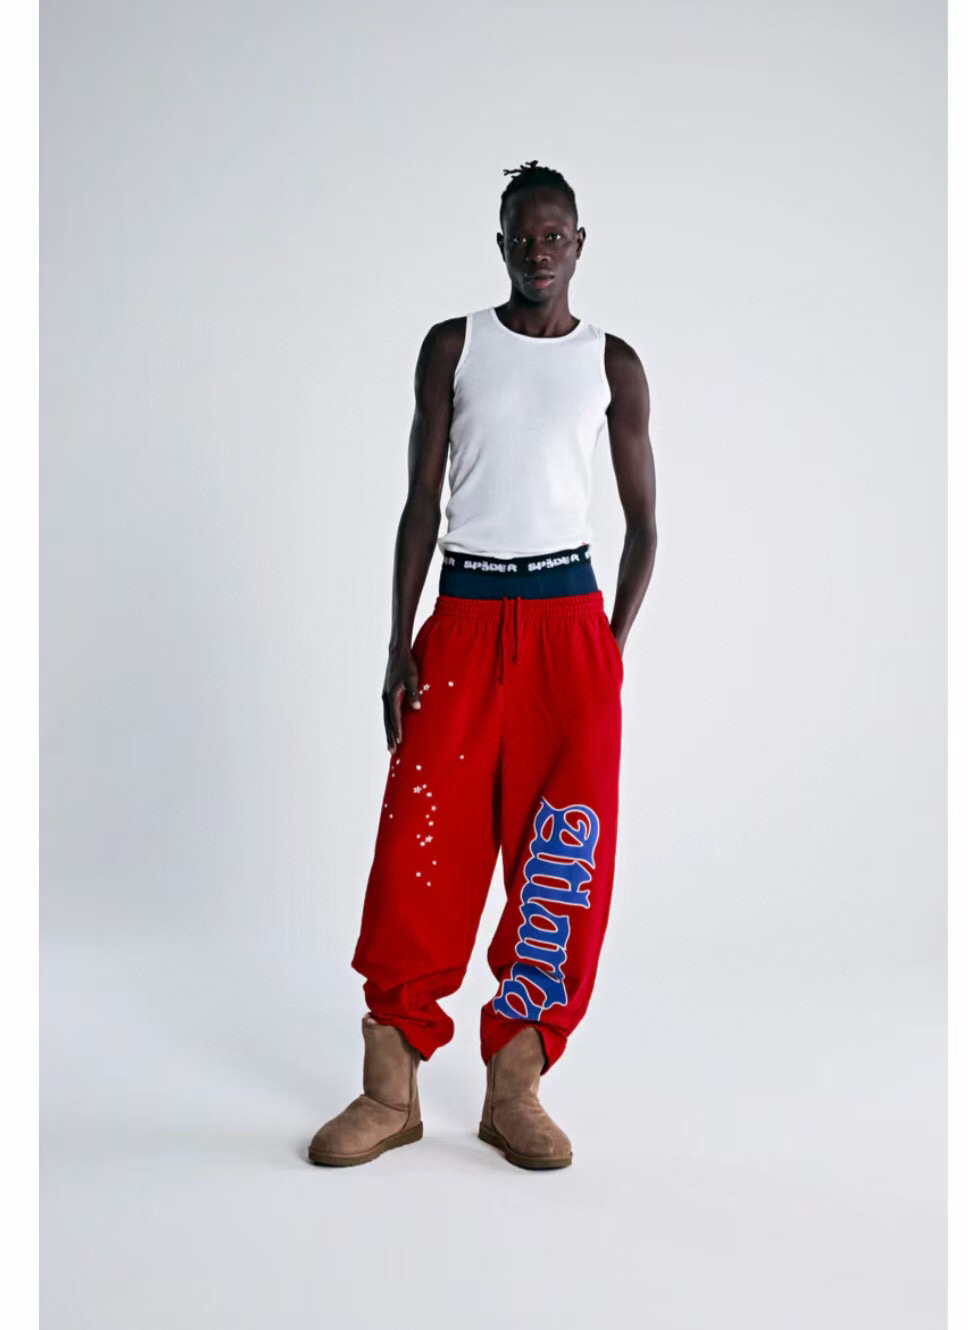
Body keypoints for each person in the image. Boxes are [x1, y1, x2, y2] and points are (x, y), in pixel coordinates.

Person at [308, 160, 657, 1170]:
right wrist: (397, 641)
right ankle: (390, 1089)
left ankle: (515, 1086)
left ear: (579, 244)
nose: (538, 251)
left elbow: (644, 526)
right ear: (499, 242)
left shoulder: (612, 363)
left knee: (562, 851)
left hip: (567, 626)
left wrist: (607, 647)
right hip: (461, 617)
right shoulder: (453, 345)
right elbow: (420, 502)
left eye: (555, 235)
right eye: (522, 235)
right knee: (422, 841)